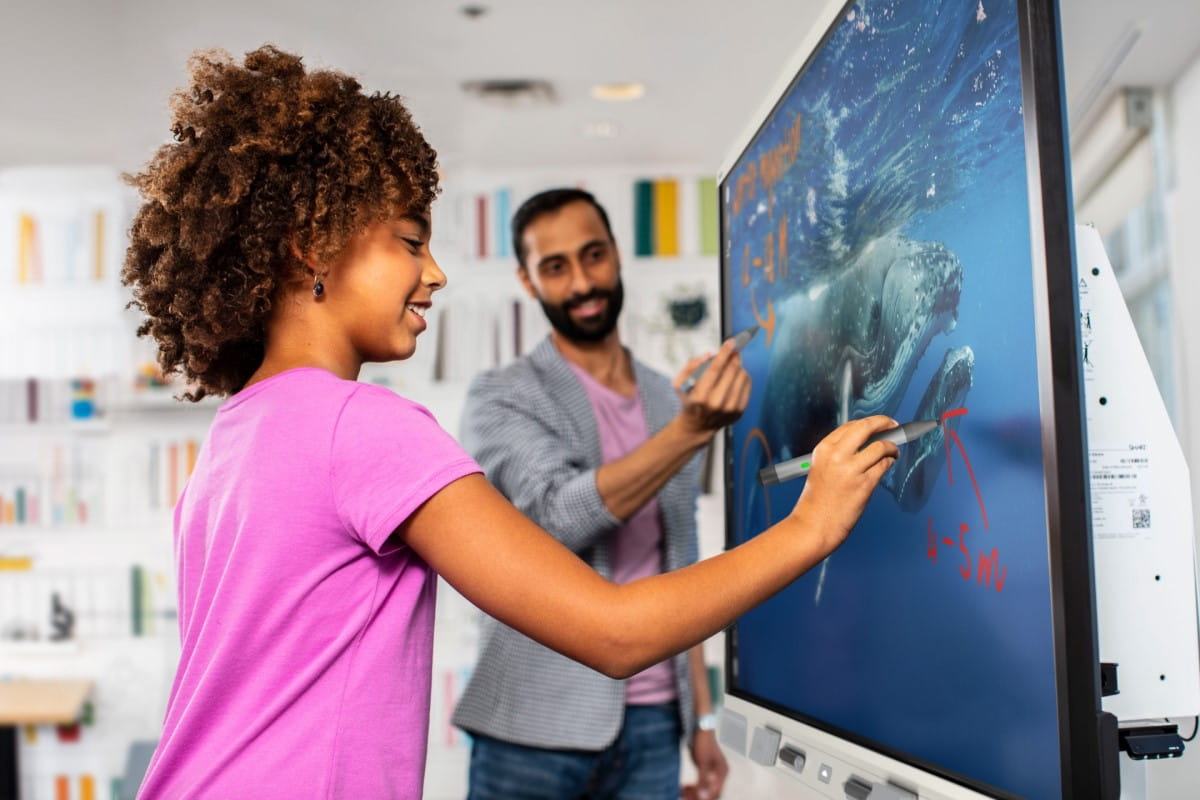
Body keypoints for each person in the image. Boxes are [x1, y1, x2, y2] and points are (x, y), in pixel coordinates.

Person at [122, 45, 899, 800]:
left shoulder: (238, 431)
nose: (436, 273)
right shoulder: (363, 426)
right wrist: (811, 528)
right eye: (411, 241)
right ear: (311, 246)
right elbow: (615, 632)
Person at [452, 188, 736, 800]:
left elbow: (678, 562)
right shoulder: (500, 396)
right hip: (532, 727)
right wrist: (689, 433)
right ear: (527, 281)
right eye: (555, 267)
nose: (582, 282)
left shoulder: (668, 398)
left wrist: (703, 720)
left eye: (593, 256)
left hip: (657, 726)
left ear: (616, 255)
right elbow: (555, 517)